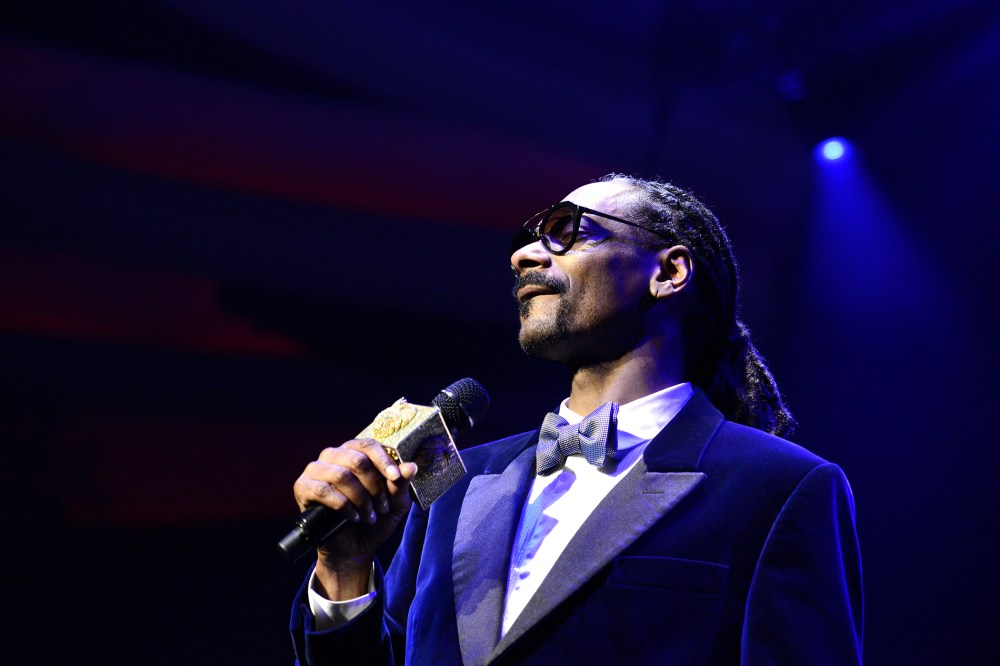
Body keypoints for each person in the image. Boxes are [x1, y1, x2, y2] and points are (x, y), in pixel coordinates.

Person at [288, 174, 863, 665]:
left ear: (668, 272)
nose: (523, 255)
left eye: (566, 230)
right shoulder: (455, 487)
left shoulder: (780, 487)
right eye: (528, 241)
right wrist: (345, 572)